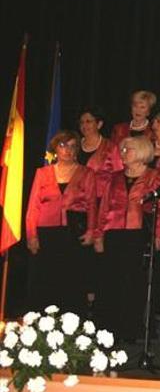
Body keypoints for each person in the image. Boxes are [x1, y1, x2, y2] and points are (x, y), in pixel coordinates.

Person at [94, 136, 160, 341]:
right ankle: (109, 331)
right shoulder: (115, 177)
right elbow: (104, 207)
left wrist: (159, 235)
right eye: (123, 149)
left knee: (134, 283)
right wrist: (99, 235)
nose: (124, 152)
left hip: (139, 235)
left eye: (130, 149)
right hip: (114, 234)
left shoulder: (155, 176)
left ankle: (131, 330)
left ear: (143, 152)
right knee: (111, 282)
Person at [26, 131, 97, 315]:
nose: (68, 150)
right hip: (46, 233)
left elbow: (91, 205)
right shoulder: (42, 173)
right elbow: (33, 206)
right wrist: (31, 235)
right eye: (63, 145)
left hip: (73, 233)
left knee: (72, 280)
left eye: (72, 146)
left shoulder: (86, 173)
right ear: (55, 149)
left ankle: (71, 327)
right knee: (45, 280)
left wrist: (91, 231)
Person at [77, 106, 120, 198]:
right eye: (82, 122)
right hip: (76, 201)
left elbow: (119, 177)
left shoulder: (111, 147)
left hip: (101, 201)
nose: (84, 125)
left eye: (88, 121)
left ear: (99, 124)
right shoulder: (74, 146)